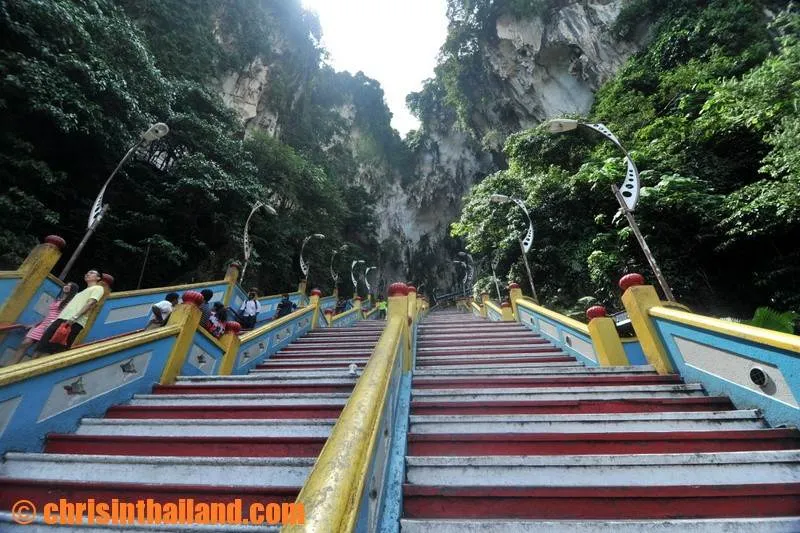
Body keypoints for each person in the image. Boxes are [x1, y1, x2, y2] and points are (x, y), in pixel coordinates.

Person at [5, 282, 79, 365]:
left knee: (38, 352)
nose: (67, 286)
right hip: (43, 325)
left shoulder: (70, 303)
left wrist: (54, 325)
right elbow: (48, 315)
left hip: (53, 326)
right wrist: (36, 324)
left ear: (73, 290)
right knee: (25, 343)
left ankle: (24, 370)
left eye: (70, 286)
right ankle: (11, 365)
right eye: (66, 285)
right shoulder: (58, 300)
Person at [36, 269, 106, 355]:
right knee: (43, 346)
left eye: (91, 273)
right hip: (61, 319)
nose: (87, 274)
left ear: (98, 278)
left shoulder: (98, 288)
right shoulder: (80, 293)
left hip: (73, 322)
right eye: (87, 273)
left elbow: (90, 303)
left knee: (57, 351)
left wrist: (74, 318)